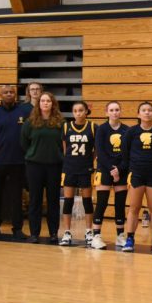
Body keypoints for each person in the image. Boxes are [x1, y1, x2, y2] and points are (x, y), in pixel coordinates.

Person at [0, 85, 30, 240]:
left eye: (12, 92)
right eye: (6, 92)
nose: (9, 94)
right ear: (0, 95)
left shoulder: (24, 112)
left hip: (18, 161)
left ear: (15, 95)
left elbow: (29, 134)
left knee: (17, 196)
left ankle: (17, 229)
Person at [121, 102, 152, 253]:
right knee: (134, 208)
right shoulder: (131, 132)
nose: (147, 113)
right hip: (136, 174)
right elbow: (125, 153)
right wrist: (129, 170)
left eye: (149, 110)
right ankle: (129, 239)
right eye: (144, 110)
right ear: (138, 114)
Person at [20, 92, 64, 243]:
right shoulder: (30, 122)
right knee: (35, 200)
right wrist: (34, 154)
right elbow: (24, 143)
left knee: (53, 201)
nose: (46, 103)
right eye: (43, 101)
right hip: (34, 166)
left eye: (48, 101)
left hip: (54, 166)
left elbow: (64, 144)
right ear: (39, 104)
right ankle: (34, 233)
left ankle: (53, 233)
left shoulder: (60, 123)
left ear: (53, 104)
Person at [90, 101, 130, 249]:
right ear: (106, 112)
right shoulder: (101, 129)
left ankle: (120, 235)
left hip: (121, 170)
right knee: (102, 202)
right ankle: (96, 236)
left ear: (120, 112)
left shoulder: (127, 130)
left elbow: (127, 153)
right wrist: (111, 169)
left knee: (120, 204)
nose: (114, 112)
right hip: (104, 169)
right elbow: (99, 152)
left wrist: (119, 169)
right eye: (111, 110)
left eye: (117, 110)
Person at [59, 101, 95, 247]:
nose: (78, 113)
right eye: (75, 110)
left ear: (86, 111)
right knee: (68, 201)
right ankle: (67, 232)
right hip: (70, 168)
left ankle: (89, 231)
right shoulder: (66, 126)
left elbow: (96, 150)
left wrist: (89, 162)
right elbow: (64, 149)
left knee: (87, 201)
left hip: (85, 169)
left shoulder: (93, 127)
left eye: (81, 110)